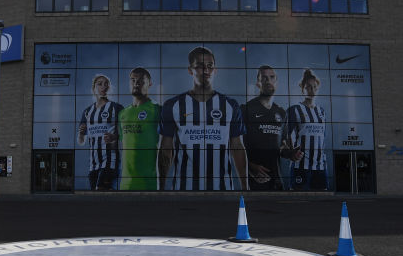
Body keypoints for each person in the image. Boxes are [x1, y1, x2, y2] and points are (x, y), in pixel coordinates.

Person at [158, 46, 248, 191]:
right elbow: (165, 149)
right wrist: (161, 188)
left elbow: (237, 146)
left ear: (215, 70)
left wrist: (245, 187)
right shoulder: (172, 105)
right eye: (199, 66)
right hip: (184, 190)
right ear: (190, 70)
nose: (206, 71)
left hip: (223, 190)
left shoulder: (231, 105)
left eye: (210, 66)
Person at [241, 65, 303, 191]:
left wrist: (291, 154)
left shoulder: (281, 113)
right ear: (258, 83)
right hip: (254, 180)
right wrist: (250, 167)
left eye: (271, 77)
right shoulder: (246, 110)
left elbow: (282, 147)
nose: (268, 81)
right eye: (264, 78)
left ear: (277, 82)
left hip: (276, 180)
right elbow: (234, 146)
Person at [114, 67, 161, 190]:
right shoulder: (123, 113)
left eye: (141, 80)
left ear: (149, 84)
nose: (136, 83)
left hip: (148, 185)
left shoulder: (157, 110)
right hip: (125, 185)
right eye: (133, 80)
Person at [77, 74, 124, 190]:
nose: (104, 87)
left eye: (106, 84)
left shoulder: (116, 108)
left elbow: (126, 135)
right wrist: (81, 134)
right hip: (93, 164)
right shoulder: (87, 111)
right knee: (96, 196)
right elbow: (81, 141)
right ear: (94, 89)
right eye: (100, 84)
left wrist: (114, 137)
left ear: (109, 88)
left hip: (110, 160)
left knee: (101, 190)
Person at [287, 68, 328, 190]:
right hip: (300, 165)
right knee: (298, 199)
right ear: (302, 88)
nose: (312, 90)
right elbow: (287, 136)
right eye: (308, 87)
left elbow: (323, 138)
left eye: (315, 87)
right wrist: (292, 153)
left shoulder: (321, 111)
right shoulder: (294, 109)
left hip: (319, 167)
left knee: (321, 201)